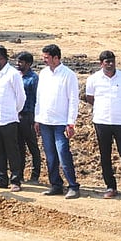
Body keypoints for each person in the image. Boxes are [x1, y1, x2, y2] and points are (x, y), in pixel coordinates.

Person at [84, 50, 121, 202]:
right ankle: (110, 186)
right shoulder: (93, 79)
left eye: (112, 61)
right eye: (107, 62)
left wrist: (117, 109)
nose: (110, 64)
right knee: (105, 154)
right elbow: (90, 98)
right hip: (101, 121)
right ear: (101, 63)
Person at [35, 44, 81, 199]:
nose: (44, 60)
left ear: (56, 58)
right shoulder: (43, 73)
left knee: (63, 153)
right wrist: (37, 119)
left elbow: (73, 100)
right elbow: (39, 98)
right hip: (45, 121)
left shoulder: (68, 75)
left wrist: (71, 123)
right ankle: (55, 184)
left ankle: (73, 186)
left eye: (47, 58)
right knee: (50, 155)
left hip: (61, 122)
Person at [0, 47, 25, 192]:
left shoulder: (13, 74)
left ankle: (16, 180)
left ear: (2, 59)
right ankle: (2, 179)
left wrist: (14, 111)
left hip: (8, 119)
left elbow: (21, 97)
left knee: (12, 151)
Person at [16, 52, 42, 183]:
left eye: (21, 62)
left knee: (32, 146)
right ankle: (19, 174)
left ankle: (35, 175)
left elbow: (38, 99)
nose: (17, 64)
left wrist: (36, 118)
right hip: (16, 115)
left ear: (28, 64)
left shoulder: (33, 78)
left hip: (28, 115)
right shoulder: (16, 76)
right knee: (19, 146)